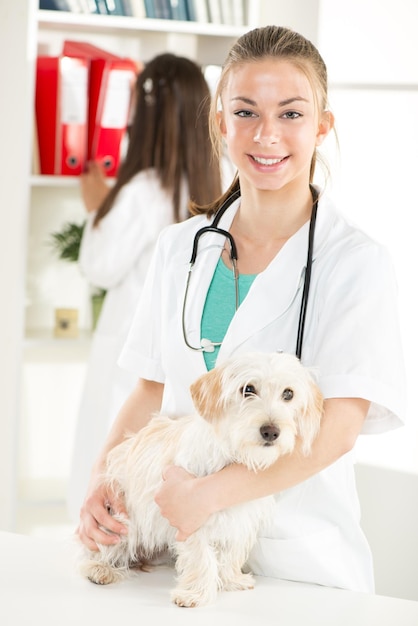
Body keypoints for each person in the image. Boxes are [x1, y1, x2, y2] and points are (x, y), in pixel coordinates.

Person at [76, 26, 406, 593]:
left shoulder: (355, 262)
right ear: (221, 123)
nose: (267, 135)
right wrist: (102, 482)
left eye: (292, 114)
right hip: (176, 555)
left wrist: (205, 496)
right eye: (246, 112)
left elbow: (339, 428)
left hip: (299, 564)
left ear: (323, 126)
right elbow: (148, 390)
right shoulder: (180, 247)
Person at [67, 53, 223, 521]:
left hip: (129, 362)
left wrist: (97, 207)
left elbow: (98, 267)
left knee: (107, 476)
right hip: (182, 367)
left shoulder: (141, 192)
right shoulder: (219, 187)